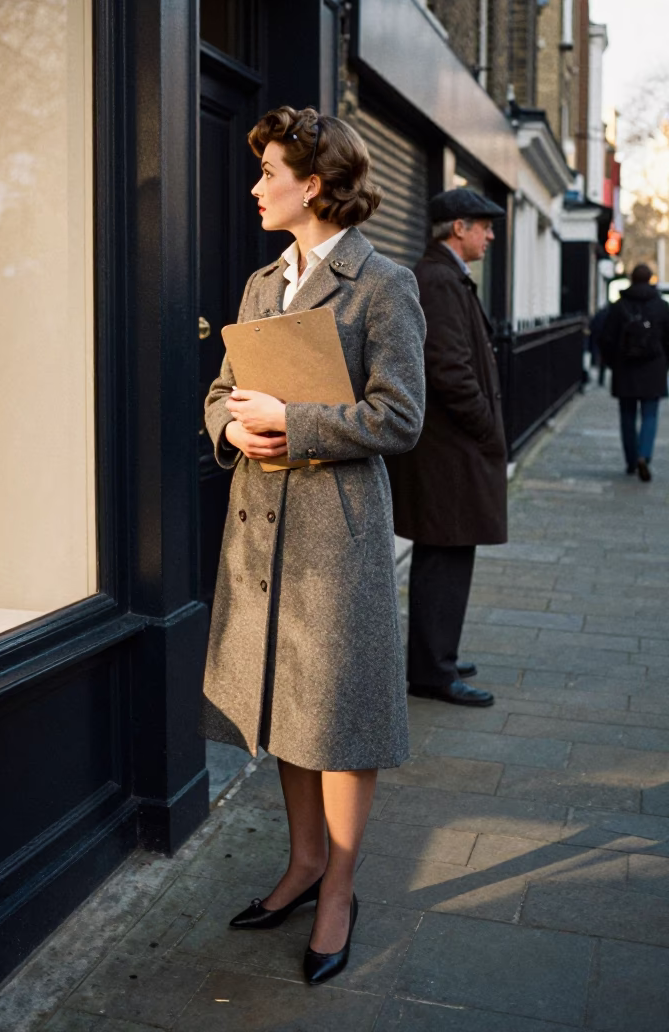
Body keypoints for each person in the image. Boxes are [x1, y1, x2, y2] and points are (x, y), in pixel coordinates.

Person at [201, 105, 426, 986]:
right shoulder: (264, 283)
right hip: (260, 537)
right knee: (286, 705)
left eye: (270, 173)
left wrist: (292, 425)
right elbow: (222, 388)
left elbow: (400, 417)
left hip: (338, 537)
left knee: (339, 718)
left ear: (318, 184)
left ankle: (337, 888)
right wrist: (231, 428)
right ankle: (298, 864)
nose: (256, 186)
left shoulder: (383, 285)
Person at [387, 188, 508, 708]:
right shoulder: (437, 279)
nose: (490, 234)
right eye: (484, 226)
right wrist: (487, 429)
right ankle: (433, 672)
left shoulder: (442, 275)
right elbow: (449, 369)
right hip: (449, 451)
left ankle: (440, 656)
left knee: (450, 553)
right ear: (457, 227)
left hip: (450, 449)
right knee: (444, 555)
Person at [600, 263, 669, 481]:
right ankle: (644, 455)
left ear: (631, 279)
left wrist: (613, 363)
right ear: (650, 279)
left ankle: (631, 460)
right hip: (654, 368)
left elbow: (606, 338)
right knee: (650, 415)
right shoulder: (661, 307)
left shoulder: (619, 306)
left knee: (627, 416)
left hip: (625, 368)